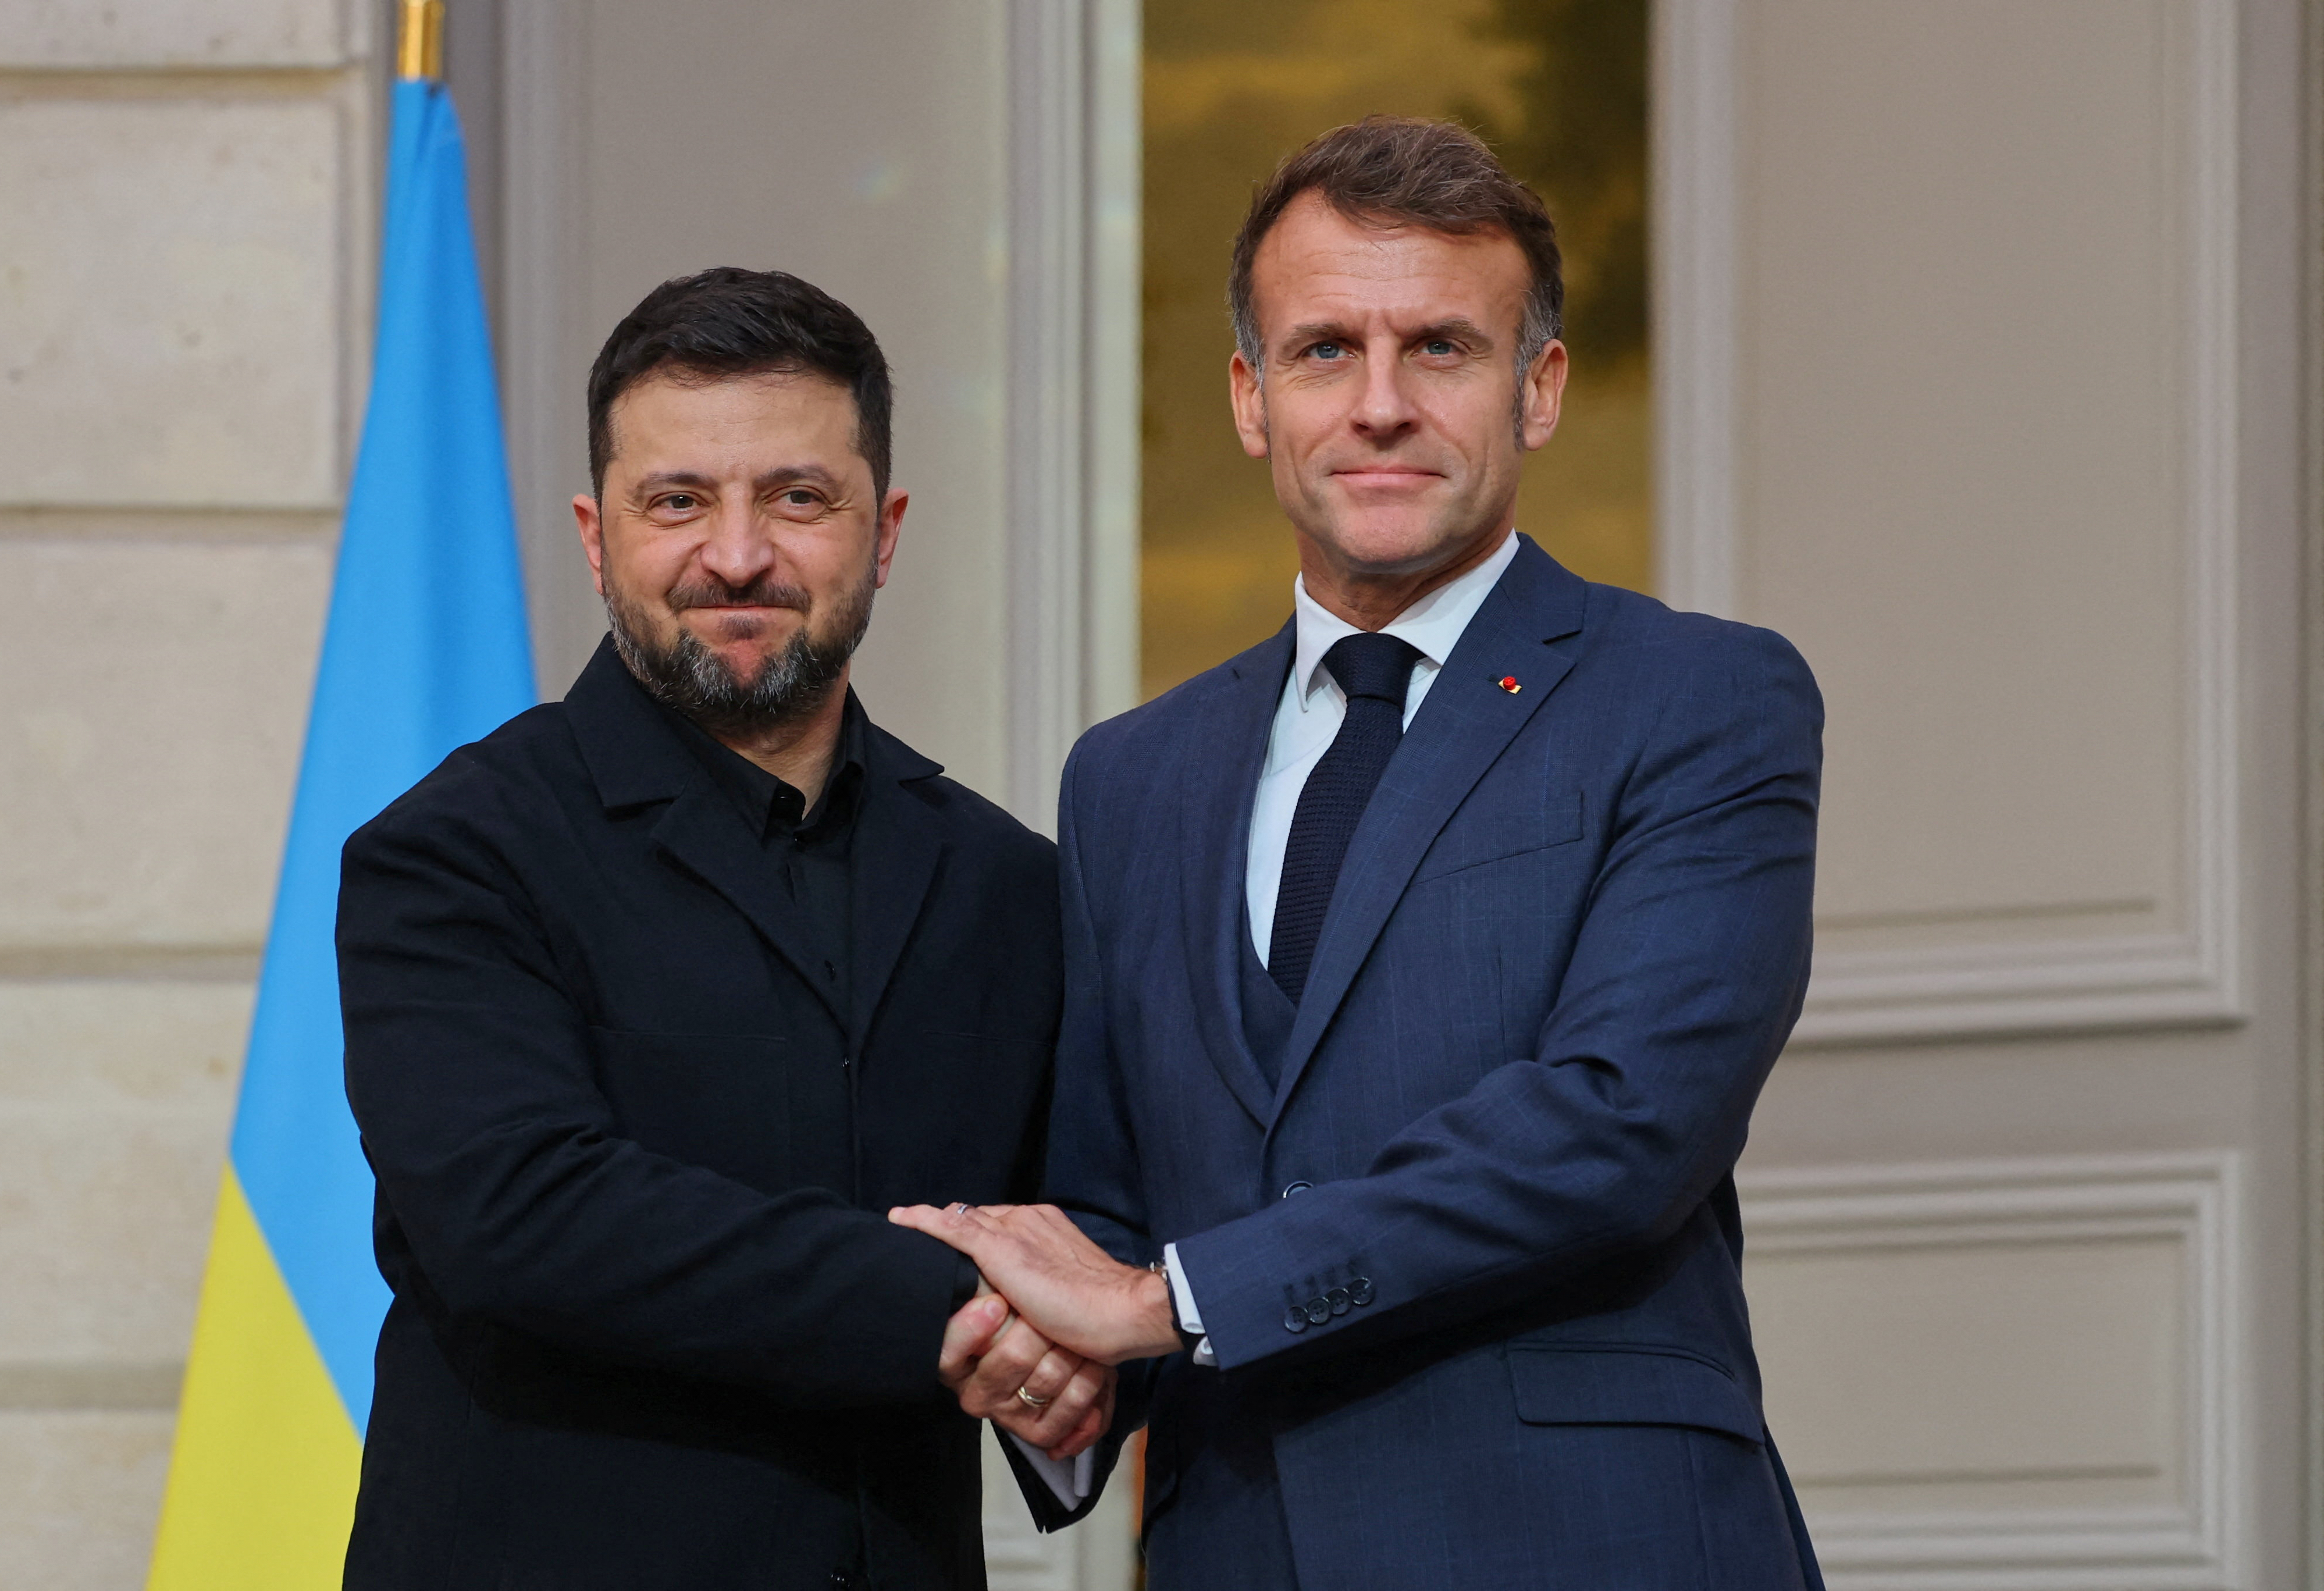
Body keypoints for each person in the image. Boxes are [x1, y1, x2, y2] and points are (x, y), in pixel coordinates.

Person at [897, 117, 1827, 1589]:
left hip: (1593, 1544)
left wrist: (1170, 1299)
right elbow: (1116, 1198)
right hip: (1236, 1546)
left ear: (1539, 390)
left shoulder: (1701, 699)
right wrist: (1063, 1370)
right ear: (1251, 399)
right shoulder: (1129, 780)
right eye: (1326, 349)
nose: (1380, 403)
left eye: (1442, 349)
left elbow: (1620, 1123)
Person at [338, 266, 1108, 1591]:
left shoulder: (1007, 882)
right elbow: (529, 1215)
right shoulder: (453, 853)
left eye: (798, 498)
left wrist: (1096, 1342)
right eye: (677, 501)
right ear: (596, 536)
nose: (737, 555)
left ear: (886, 530)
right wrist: (968, 1312)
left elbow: (1087, 1222)